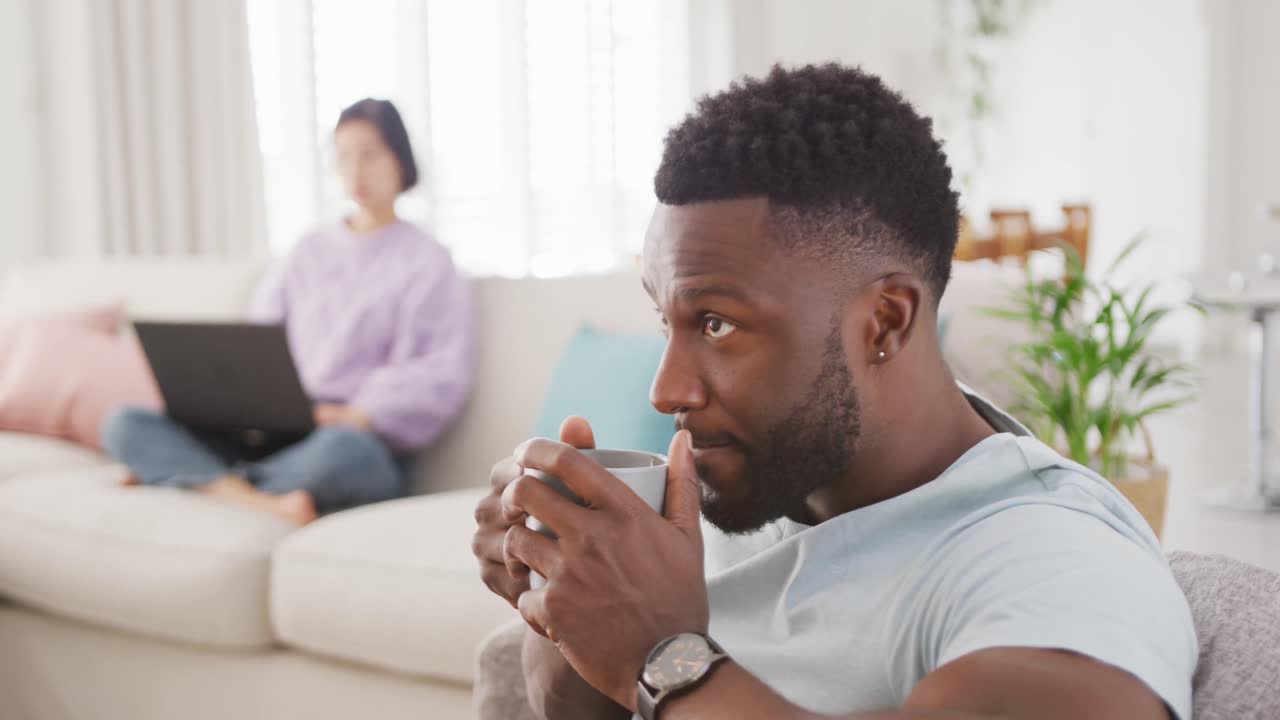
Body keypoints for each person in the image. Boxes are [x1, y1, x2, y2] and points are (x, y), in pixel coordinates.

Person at [472, 65, 1196, 720]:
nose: (667, 389)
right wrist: (564, 595)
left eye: (717, 323)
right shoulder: (751, 489)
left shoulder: (1048, 560)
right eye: (667, 321)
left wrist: (665, 657)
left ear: (885, 321)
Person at [104, 98, 473, 525]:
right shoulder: (307, 251)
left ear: (400, 159)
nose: (356, 170)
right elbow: (256, 344)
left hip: (351, 438)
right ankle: (248, 493)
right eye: (344, 155)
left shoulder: (429, 262)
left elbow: (440, 375)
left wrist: (357, 413)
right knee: (124, 423)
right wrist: (245, 402)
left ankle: (190, 476)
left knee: (346, 454)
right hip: (275, 432)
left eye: (370, 153)